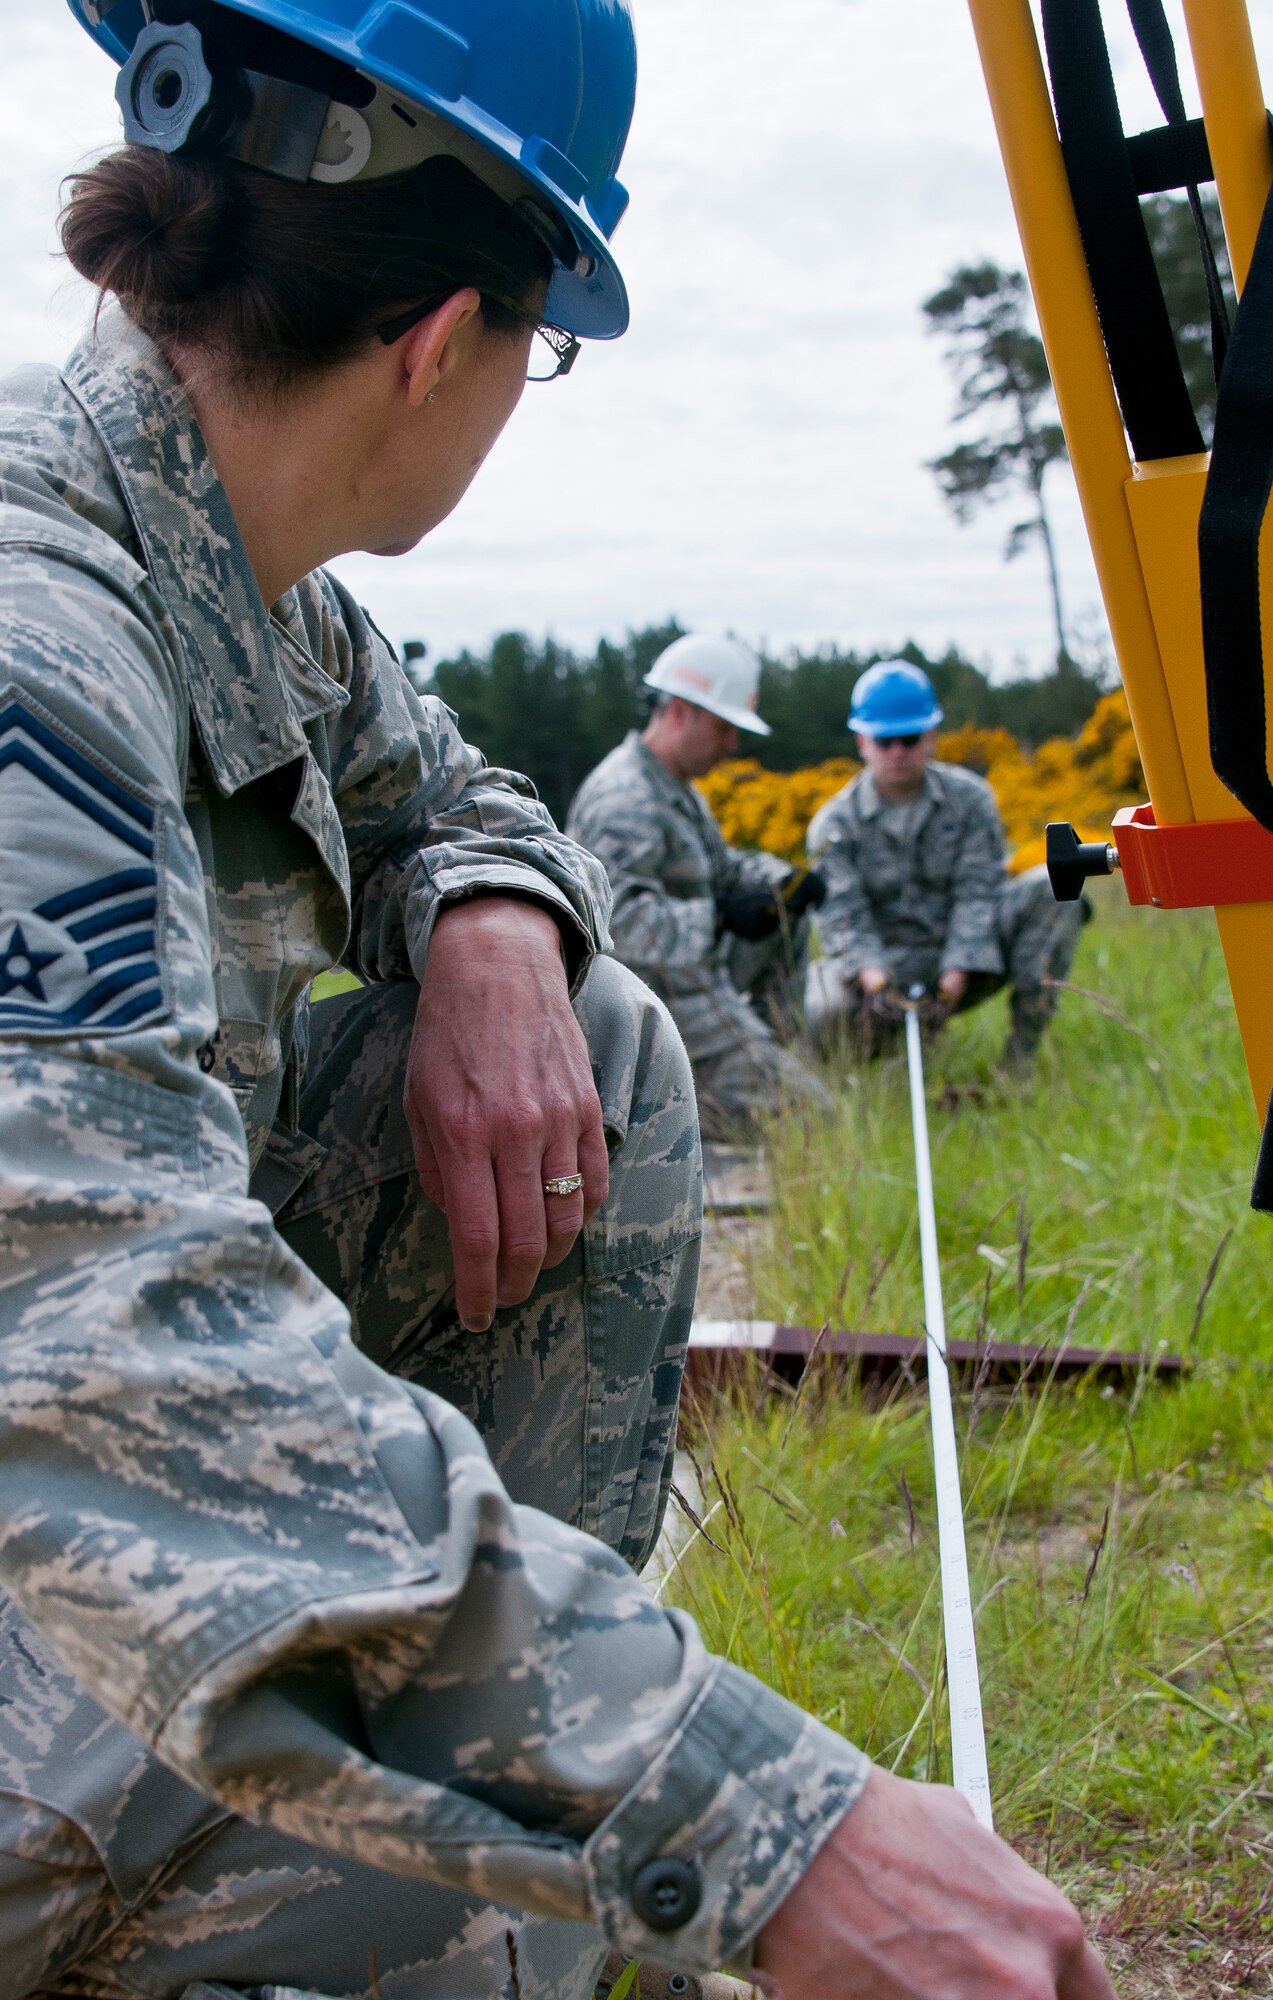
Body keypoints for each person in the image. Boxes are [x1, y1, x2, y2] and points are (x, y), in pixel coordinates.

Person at [0, 7, 1116, 1998]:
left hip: (77, 1538)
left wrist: (500, 917)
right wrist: (761, 1825)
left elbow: (450, 784)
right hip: (64, 1512)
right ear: (446, 338)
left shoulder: (239, 586)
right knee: (534, 1908)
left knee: (596, 1038)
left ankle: (470, 1819)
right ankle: (418, 1851)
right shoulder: (31, 635)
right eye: (550, 347)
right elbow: (102, 1348)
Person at [566, 635, 833, 1139]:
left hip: (692, 984)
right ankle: (671, 1106)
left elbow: (721, 869)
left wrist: (783, 881)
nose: (733, 745)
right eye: (725, 728)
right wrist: (721, 916)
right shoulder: (626, 798)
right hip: (650, 1010)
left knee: (786, 913)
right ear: (682, 712)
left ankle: (759, 1060)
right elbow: (616, 925)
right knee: (816, 1120)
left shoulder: (674, 789)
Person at [805, 660, 1086, 1068]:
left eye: (909, 737)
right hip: (881, 967)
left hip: (968, 954)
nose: (897, 751)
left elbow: (978, 891)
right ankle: (872, 1073)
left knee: (1053, 888)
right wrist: (877, 983)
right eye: (884, 741)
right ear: (862, 741)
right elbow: (843, 916)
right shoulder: (833, 824)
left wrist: (954, 978)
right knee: (819, 1003)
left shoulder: (971, 800)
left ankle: (1018, 1065)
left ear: (932, 735)